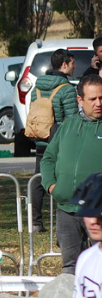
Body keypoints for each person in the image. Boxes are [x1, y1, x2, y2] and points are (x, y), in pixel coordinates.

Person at [41, 74, 102, 274]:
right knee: (69, 268)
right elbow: (48, 157)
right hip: (66, 208)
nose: (98, 103)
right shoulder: (67, 125)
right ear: (80, 100)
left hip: (97, 213)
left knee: (98, 268)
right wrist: (52, 186)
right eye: (92, 99)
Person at [30, 48, 78, 233]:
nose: (75, 67)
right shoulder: (66, 89)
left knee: (38, 178)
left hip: (41, 139)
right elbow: (72, 118)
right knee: (64, 179)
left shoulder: (38, 86)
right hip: (60, 142)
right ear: (64, 64)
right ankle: (64, 222)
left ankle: (35, 222)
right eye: (73, 63)